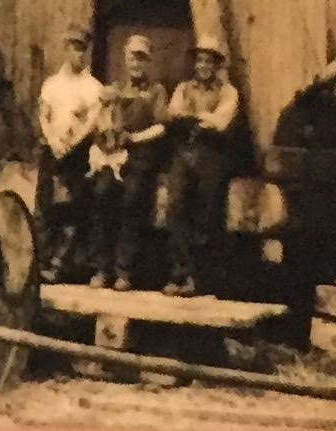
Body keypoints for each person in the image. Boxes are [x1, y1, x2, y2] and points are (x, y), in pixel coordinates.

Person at [161, 38, 242, 294]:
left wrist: (194, 117)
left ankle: (202, 278)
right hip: (184, 153)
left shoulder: (228, 91)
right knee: (176, 208)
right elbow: (173, 113)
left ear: (217, 65)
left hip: (212, 156)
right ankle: (180, 274)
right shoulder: (183, 88)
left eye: (209, 61)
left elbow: (221, 122)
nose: (204, 65)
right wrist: (203, 118)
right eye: (200, 60)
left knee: (207, 213)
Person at [89, 32, 169, 288]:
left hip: (142, 156)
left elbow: (161, 128)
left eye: (142, 59)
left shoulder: (156, 91)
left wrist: (133, 138)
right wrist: (106, 138)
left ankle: (124, 271)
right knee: (101, 193)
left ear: (149, 62)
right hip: (114, 157)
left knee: (132, 198)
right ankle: (102, 268)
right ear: (125, 59)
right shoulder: (115, 89)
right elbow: (101, 119)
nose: (136, 63)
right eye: (133, 58)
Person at [35, 26, 107, 277]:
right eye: (74, 48)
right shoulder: (51, 84)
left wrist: (73, 143)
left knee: (72, 209)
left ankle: (60, 263)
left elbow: (92, 121)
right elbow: (43, 115)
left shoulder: (92, 86)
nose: (79, 53)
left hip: (77, 154)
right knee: (45, 206)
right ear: (66, 49)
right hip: (52, 150)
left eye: (83, 49)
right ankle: (41, 262)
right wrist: (52, 140)